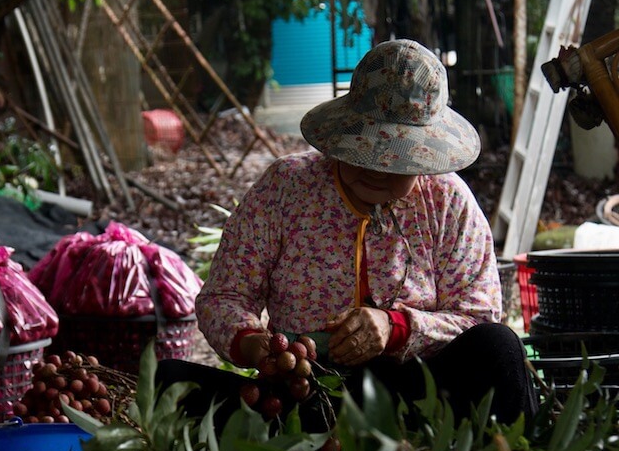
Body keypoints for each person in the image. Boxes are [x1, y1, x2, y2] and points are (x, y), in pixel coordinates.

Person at [157, 39, 537, 430]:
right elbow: (223, 296)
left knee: (499, 347)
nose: (376, 170)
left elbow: (479, 316)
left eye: (397, 162)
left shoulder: (447, 200)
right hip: (306, 397)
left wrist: (396, 328)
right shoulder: (286, 187)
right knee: (166, 380)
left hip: (417, 398)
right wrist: (253, 344)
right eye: (365, 151)